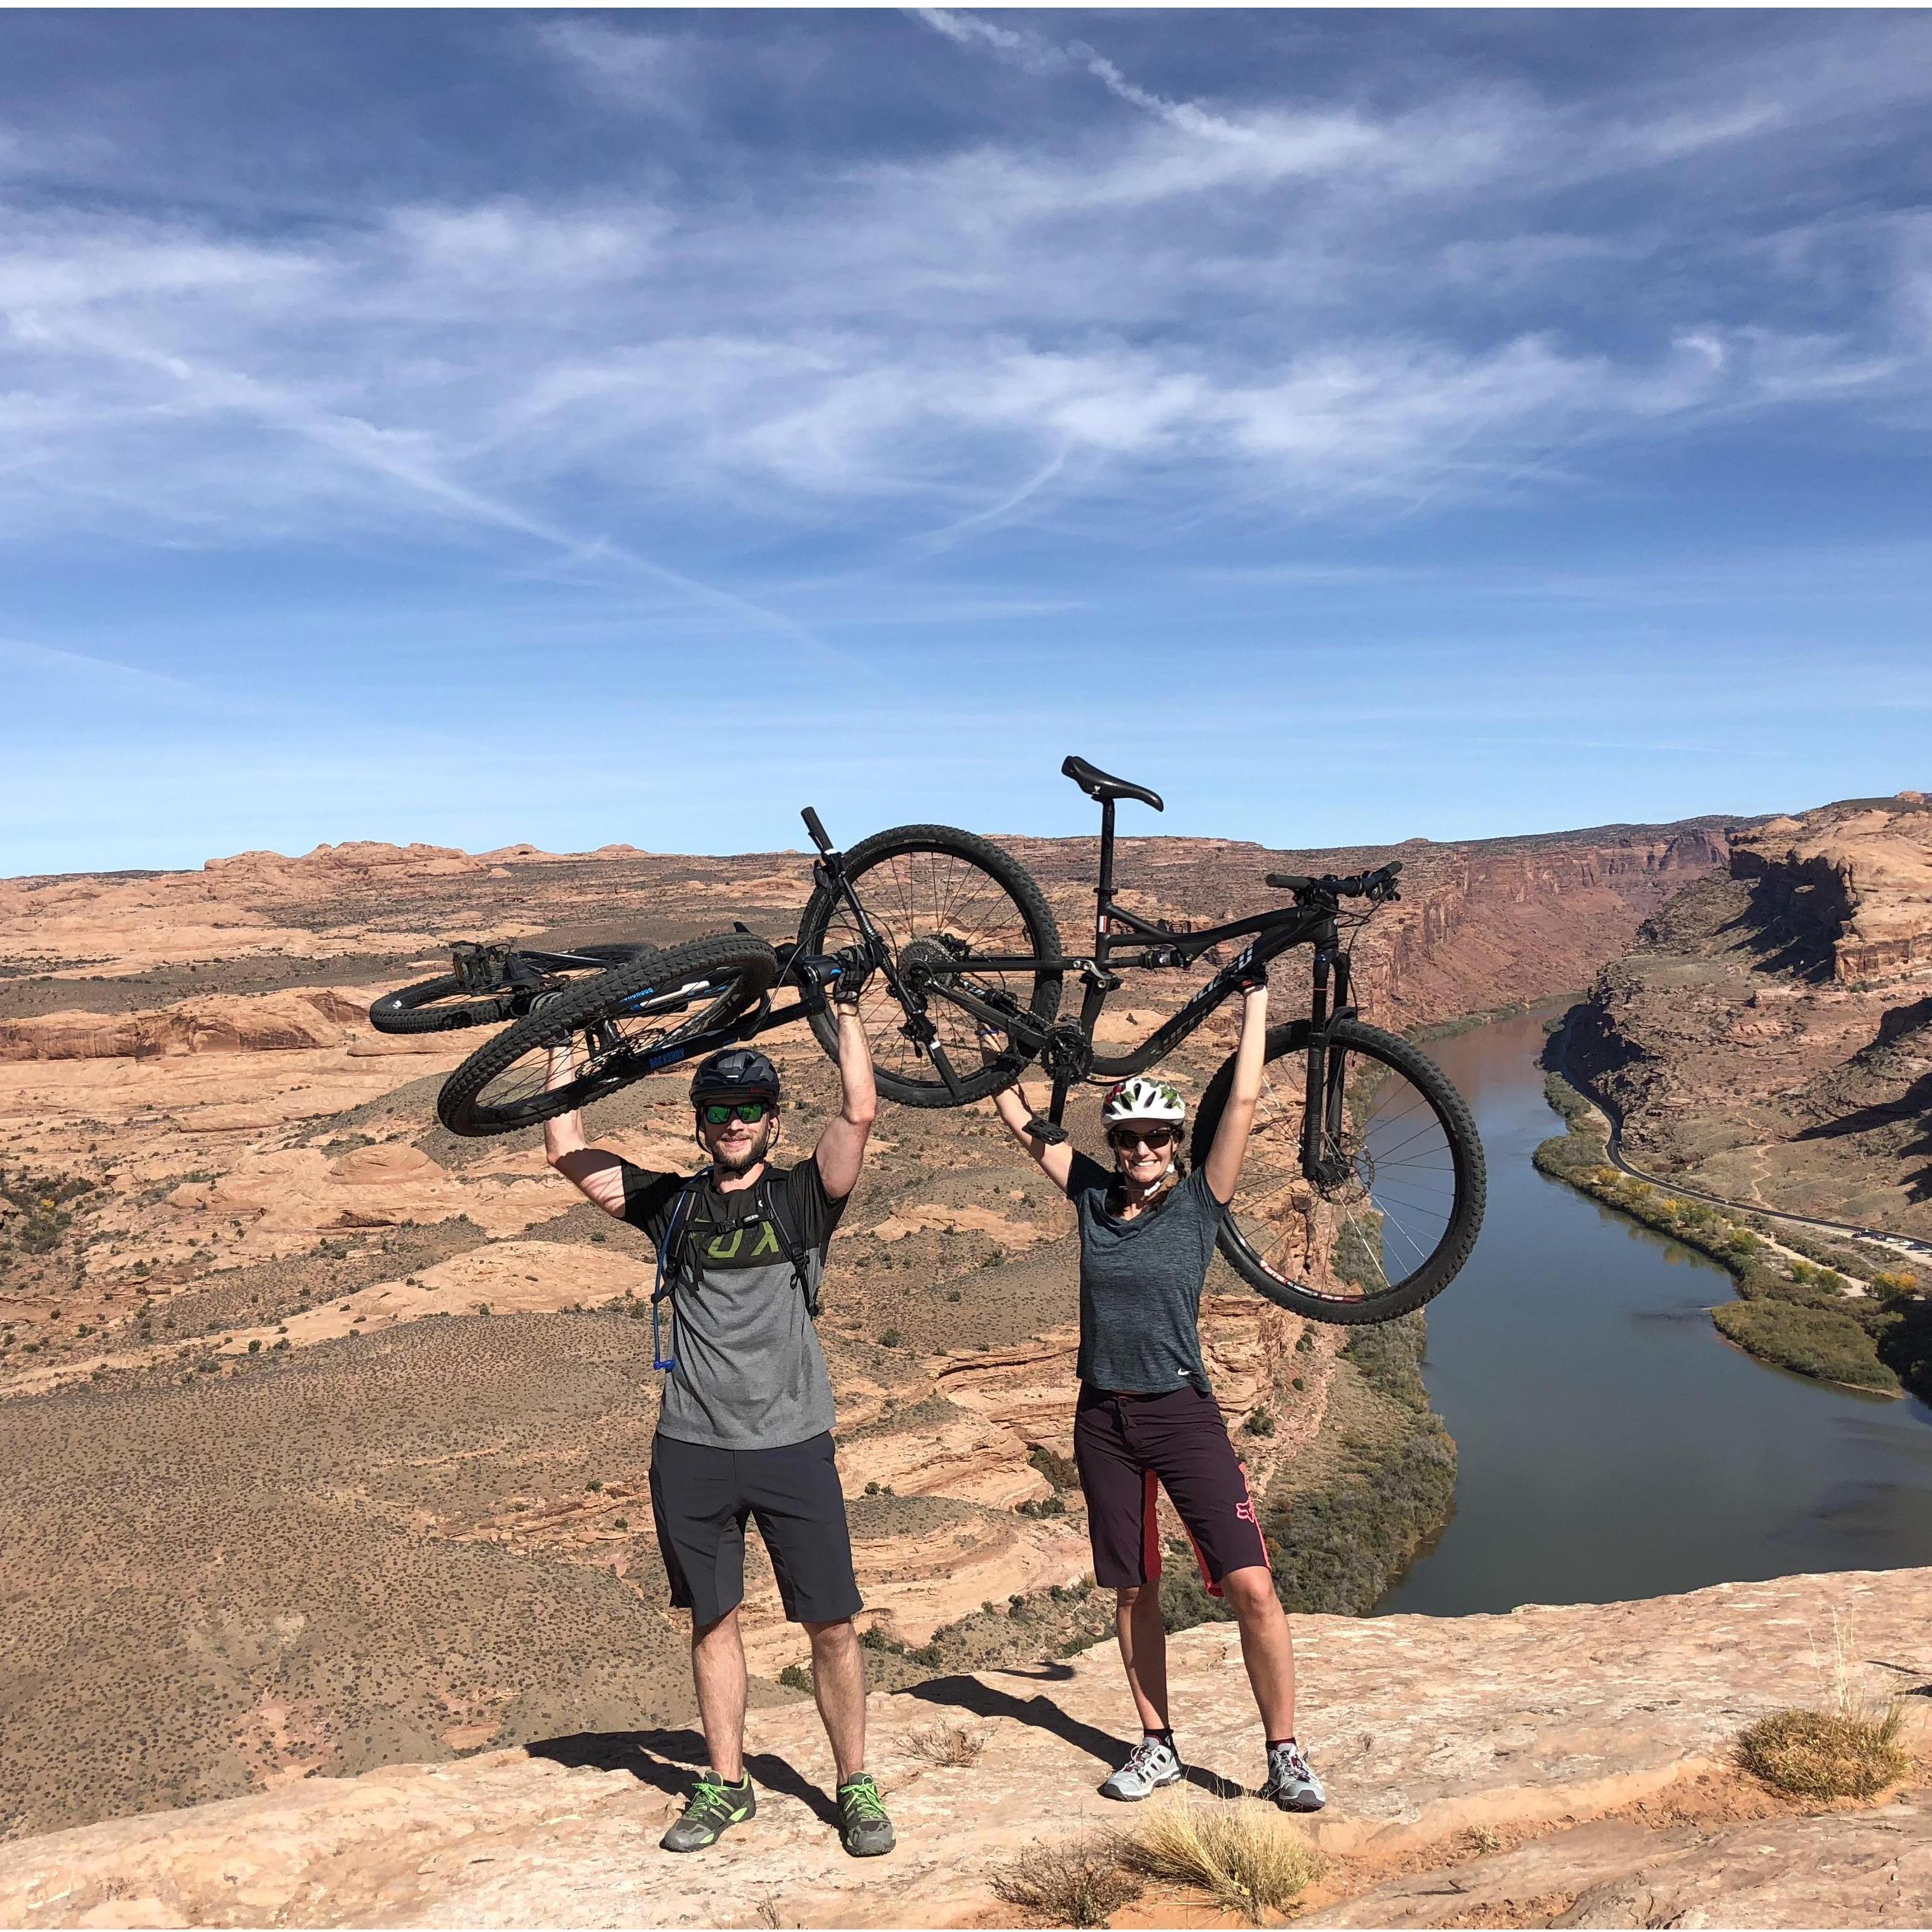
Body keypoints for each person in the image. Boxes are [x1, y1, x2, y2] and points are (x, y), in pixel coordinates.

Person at [543, 981, 895, 1860]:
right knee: (713, 1622)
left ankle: (853, 1785)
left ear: (772, 1121)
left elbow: (859, 1108)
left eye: (749, 1109)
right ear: (700, 1123)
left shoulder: (803, 1200)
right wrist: (558, 1041)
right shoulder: (674, 1207)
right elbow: (565, 1146)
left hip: (791, 1447)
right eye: (718, 1110)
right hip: (692, 1450)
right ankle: (727, 1786)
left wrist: (847, 1009)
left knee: (833, 1625)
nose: (733, 1123)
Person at [985, 969, 1326, 1813]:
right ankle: (1157, 1744)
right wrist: (980, 1052)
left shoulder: (1202, 1202)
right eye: (1131, 1139)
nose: (1143, 1152)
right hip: (1101, 1415)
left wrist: (1255, 1006)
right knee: (1132, 1587)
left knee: (1250, 1583)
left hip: (1182, 1411)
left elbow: (1241, 1104)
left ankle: (1283, 1752)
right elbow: (1025, 1123)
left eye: (1158, 1139)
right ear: (1115, 1143)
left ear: (1177, 1143)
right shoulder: (1093, 1198)